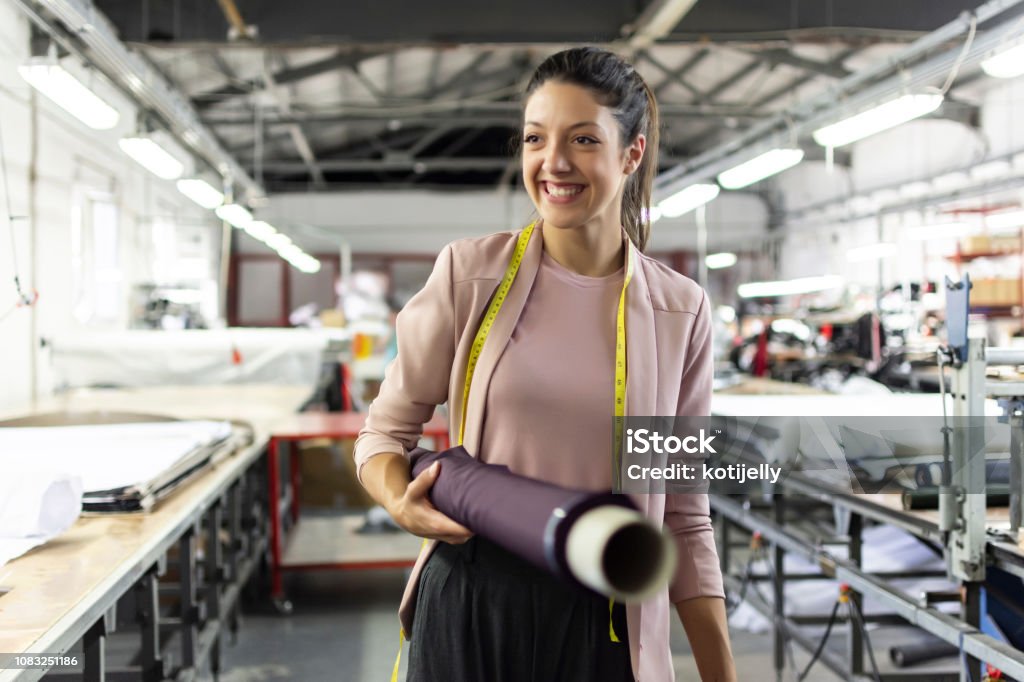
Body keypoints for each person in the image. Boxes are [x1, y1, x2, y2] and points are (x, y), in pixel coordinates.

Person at [355, 46, 736, 682]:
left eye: (583, 139)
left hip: (605, 623)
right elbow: (382, 434)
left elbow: (683, 516)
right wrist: (401, 502)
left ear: (631, 153)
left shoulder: (678, 310)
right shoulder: (471, 274)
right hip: (474, 602)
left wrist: (720, 674)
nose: (553, 162)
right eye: (536, 138)